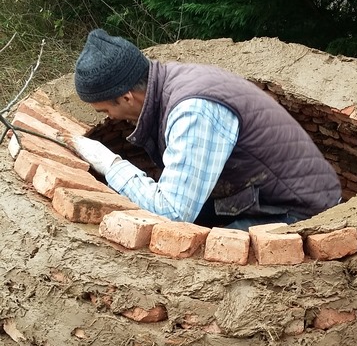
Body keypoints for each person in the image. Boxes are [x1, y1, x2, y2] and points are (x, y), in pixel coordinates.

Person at [71, 29, 341, 230]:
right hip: (259, 193)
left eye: (106, 111)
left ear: (127, 97)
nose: (111, 118)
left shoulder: (192, 111)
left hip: (301, 209)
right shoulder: (170, 79)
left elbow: (173, 213)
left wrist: (111, 165)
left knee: (195, 257)